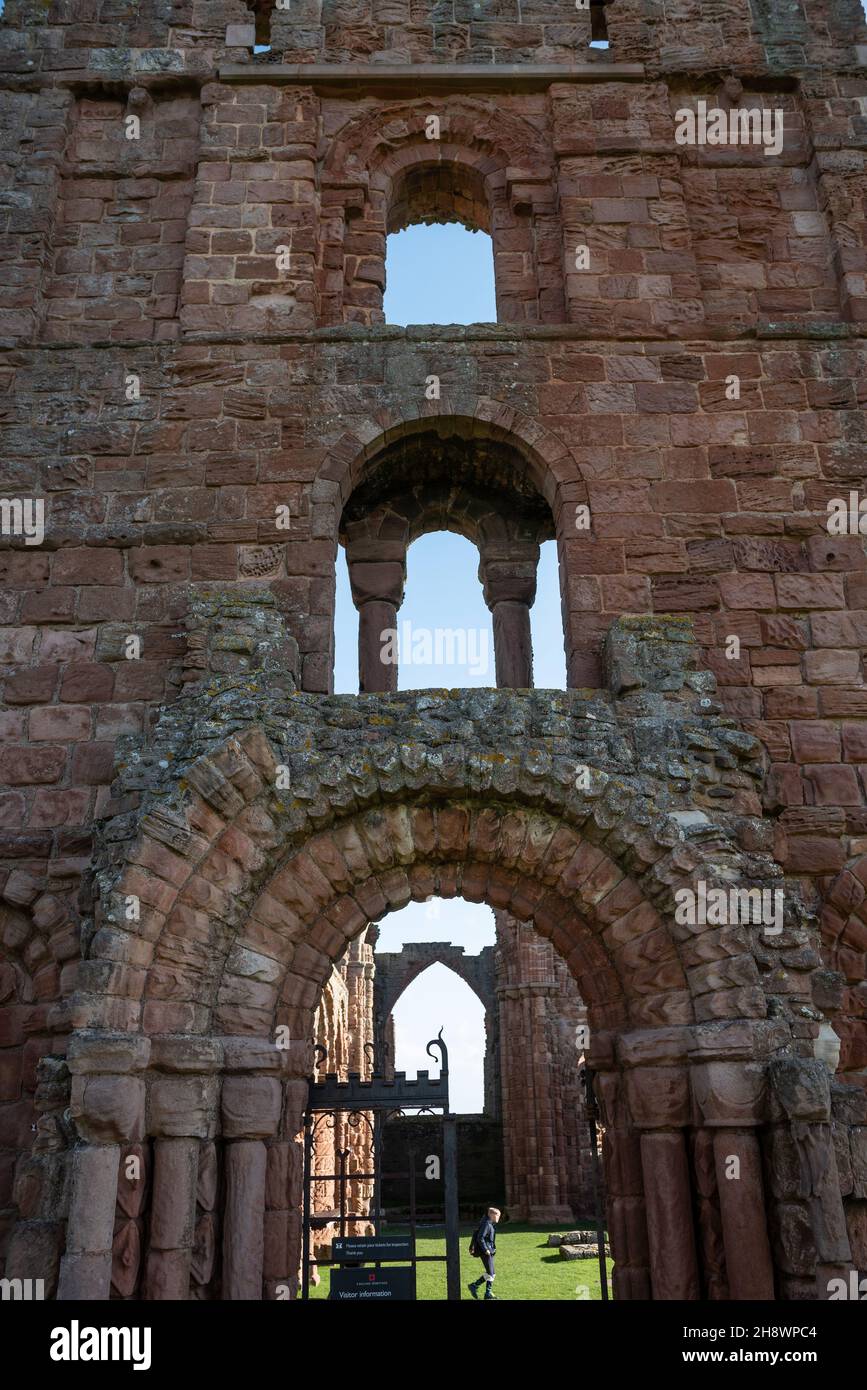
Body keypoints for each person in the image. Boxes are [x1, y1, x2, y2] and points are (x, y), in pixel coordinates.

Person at [468, 1206, 500, 1300]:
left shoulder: (489, 1223)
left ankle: (486, 1293)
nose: (498, 1217)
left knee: (492, 1273)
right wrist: (486, 1249)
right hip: (485, 1252)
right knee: (491, 1273)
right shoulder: (486, 1223)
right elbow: (480, 1237)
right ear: (491, 1215)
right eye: (497, 1215)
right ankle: (475, 1286)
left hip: (489, 1251)